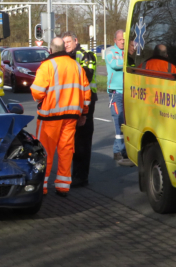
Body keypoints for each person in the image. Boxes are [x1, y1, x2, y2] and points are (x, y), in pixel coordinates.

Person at [31, 37, 91, 197]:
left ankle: (42, 186)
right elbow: (86, 93)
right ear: (64, 48)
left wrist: (41, 99)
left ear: (50, 50)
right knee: (66, 150)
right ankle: (63, 186)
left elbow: (37, 91)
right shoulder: (76, 65)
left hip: (50, 116)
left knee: (45, 152)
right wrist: (84, 113)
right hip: (71, 116)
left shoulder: (47, 66)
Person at [62, 32, 97, 188]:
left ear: (76, 41)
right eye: (64, 42)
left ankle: (82, 176)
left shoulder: (85, 56)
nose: (66, 45)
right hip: (73, 101)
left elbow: (87, 76)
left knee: (82, 140)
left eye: (69, 41)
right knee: (73, 140)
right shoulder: (66, 57)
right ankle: (75, 174)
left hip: (87, 101)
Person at [105, 30, 135, 167]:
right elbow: (115, 65)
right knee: (118, 121)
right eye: (119, 39)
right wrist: (130, 57)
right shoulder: (110, 51)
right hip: (116, 92)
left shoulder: (129, 52)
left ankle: (120, 150)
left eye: (124, 39)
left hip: (129, 92)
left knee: (127, 122)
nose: (122, 41)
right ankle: (120, 151)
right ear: (114, 40)